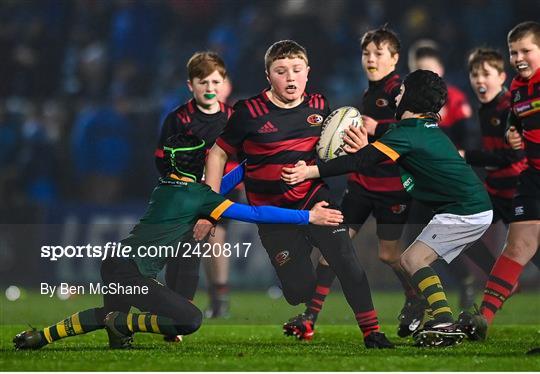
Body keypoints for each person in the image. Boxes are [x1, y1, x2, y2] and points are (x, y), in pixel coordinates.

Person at [13, 132, 343, 350]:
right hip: (131, 273)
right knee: (189, 319)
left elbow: (218, 185)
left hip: (114, 264)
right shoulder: (198, 195)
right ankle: (122, 322)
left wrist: (250, 164)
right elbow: (256, 214)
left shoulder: (166, 188)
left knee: (107, 321)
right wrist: (307, 217)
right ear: (196, 162)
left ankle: (40, 337)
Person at [203, 40, 394, 348]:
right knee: (299, 291)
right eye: (281, 71)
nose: (290, 78)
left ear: (308, 72)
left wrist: (357, 146)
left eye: (296, 70)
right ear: (268, 75)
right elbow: (217, 155)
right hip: (274, 214)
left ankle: (372, 332)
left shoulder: (320, 106)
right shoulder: (248, 112)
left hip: (314, 199)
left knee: (347, 261)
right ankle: (300, 261)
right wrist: (208, 206)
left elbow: (332, 154)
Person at [281, 69, 493, 347]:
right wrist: (367, 149)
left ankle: (444, 321)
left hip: (464, 211)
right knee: (412, 259)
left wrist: (310, 171)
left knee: (413, 260)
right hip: (468, 208)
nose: (397, 94)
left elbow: (360, 163)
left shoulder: (408, 134)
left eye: (403, 90)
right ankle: (462, 320)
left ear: (413, 98)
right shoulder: (417, 131)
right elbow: (375, 154)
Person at [283, 26, 420, 341]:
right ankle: (310, 317)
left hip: (391, 188)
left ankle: (415, 295)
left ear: (395, 58)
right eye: (366, 53)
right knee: (332, 250)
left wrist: (380, 128)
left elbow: (413, 132)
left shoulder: (401, 90)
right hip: (361, 185)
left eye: (378, 53)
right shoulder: (370, 92)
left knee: (388, 255)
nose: (370, 59)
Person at [458, 21, 540, 342]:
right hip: (531, 176)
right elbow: (515, 118)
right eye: (514, 52)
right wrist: (511, 130)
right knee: (517, 246)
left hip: (516, 177)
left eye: (526, 51)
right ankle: (483, 319)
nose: (519, 57)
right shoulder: (519, 88)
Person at [407, 40, 496, 309]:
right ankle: (463, 281)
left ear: (441, 70)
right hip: (425, 183)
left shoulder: (455, 99)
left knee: (434, 239)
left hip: (451, 183)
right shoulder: (408, 103)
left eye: (430, 70)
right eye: (419, 70)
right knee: (417, 237)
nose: (425, 75)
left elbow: (469, 141)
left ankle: (492, 275)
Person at [155, 51, 236, 320]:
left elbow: (243, 159)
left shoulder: (233, 119)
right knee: (181, 251)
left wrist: (218, 187)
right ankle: (178, 306)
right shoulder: (177, 119)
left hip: (220, 193)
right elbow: (161, 159)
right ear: (191, 85)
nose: (210, 88)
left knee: (207, 241)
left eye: (215, 82)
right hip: (183, 195)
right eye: (203, 83)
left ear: (223, 83)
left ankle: (202, 304)